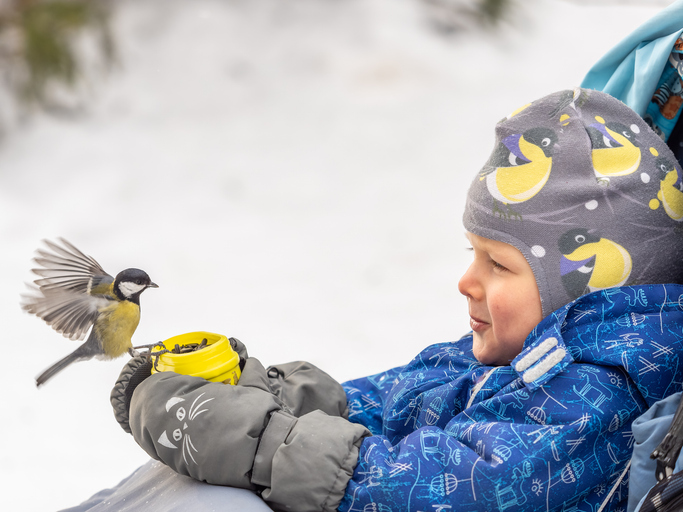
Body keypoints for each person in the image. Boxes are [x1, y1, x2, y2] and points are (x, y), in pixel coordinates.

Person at [110, 88, 683, 512]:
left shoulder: (604, 387)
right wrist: (266, 393)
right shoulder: (518, 349)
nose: (466, 281)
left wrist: (262, 443)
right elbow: (400, 400)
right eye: (472, 252)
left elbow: (459, 488)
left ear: (585, 281)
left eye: (498, 264)